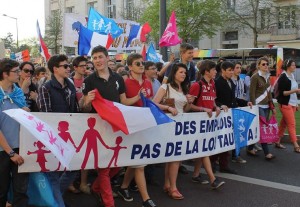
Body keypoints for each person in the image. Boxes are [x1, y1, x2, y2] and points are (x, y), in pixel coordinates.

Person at [81, 46, 142, 207]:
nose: (97, 61)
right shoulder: (89, 81)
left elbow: (123, 101)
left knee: (118, 162)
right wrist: (87, 100)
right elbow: (84, 108)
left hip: (116, 126)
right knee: (104, 167)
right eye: (94, 58)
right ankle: (109, 203)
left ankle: (96, 187)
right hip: (99, 127)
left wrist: (137, 97)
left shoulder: (118, 78)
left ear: (107, 58)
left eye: (100, 57)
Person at [37, 54, 79, 206]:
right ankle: (57, 202)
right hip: (53, 138)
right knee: (53, 174)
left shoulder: (70, 86)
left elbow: (76, 110)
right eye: (65, 66)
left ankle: (54, 197)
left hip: (70, 134)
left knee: (73, 168)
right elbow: (46, 116)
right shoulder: (45, 88)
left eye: (69, 66)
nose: (69, 68)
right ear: (55, 69)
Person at [117, 53, 157, 207]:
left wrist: (163, 107)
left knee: (136, 160)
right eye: (138, 64)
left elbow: (150, 102)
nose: (141, 66)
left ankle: (124, 186)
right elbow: (123, 102)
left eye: (142, 63)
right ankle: (146, 199)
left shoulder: (147, 82)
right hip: (132, 125)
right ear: (130, 67)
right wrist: (138, 97)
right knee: (139, 163)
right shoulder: (126, 82)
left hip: (145, 124)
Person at [153, 63, 194, 200]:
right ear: (174, 73)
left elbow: (185, 109)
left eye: (185, 72)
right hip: (168, 125)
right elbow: (153, 104)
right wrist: (168, 108)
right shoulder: (165, 87)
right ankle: (174, 188)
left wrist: (189, 102)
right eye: (181, 72)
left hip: (180, 126)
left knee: (173, 158)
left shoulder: (184, 88)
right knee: (175, 158)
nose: (184, 74)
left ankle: (167, 184)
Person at [189, 60, 225, 189]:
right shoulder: (196, 85)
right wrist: (203, 109)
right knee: (204, 150)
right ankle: (212, 179)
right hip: (198, 123)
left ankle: (196, 175)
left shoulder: (213, 83)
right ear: (206, 71)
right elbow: (189, 105)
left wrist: (217, 107)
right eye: (214, 69)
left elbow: (212, 101)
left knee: (202, 150)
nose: (216, 71)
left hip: (208, 123)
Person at [0, 58, 29, 207]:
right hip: (3, 150)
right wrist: (11, 153)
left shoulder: (18, 92)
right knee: (1, 190)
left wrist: (26, 112)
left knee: (21, 191)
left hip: (21, 147)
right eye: (16, 71)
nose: (19, 74)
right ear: (5, 74)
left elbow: (24, 119)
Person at [213, 61, 252, 174]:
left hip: (230, 114)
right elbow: (214, 100)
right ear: (223, 70)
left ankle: (223, 165)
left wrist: (246, 102)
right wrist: (220, 106)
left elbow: (233, 99)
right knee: (219, 140)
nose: (232, 72)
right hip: (221, 115)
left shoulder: (231, 82)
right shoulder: (217, 83)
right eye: (229, 70)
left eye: (232, 70)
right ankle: (213, 162)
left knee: (227, 140)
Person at [247, 57, 276, 160]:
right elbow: (252, 93)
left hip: (266, 106)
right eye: (263, 64)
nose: (265, 66)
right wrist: (254, 106)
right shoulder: (255, 77)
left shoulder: (268, 77)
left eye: (267, 64)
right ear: (258, 65)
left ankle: (250, 147)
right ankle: (267, 153)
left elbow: (269, 93)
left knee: (258, 129)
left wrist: (272, 106)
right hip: (258, 106)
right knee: (263, 128)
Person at [275, 59, 300, 152]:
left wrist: (296, 103)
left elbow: (293, 93)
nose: (295, 67)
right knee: (292, 124)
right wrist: (296, 91)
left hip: (292, 104)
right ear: (288, 66)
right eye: (293, 65)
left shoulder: (291, 76)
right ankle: (296, 145)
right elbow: (283, 93)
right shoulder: (283, 77)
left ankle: (277, 141)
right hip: (285, 104)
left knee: (283, 123)